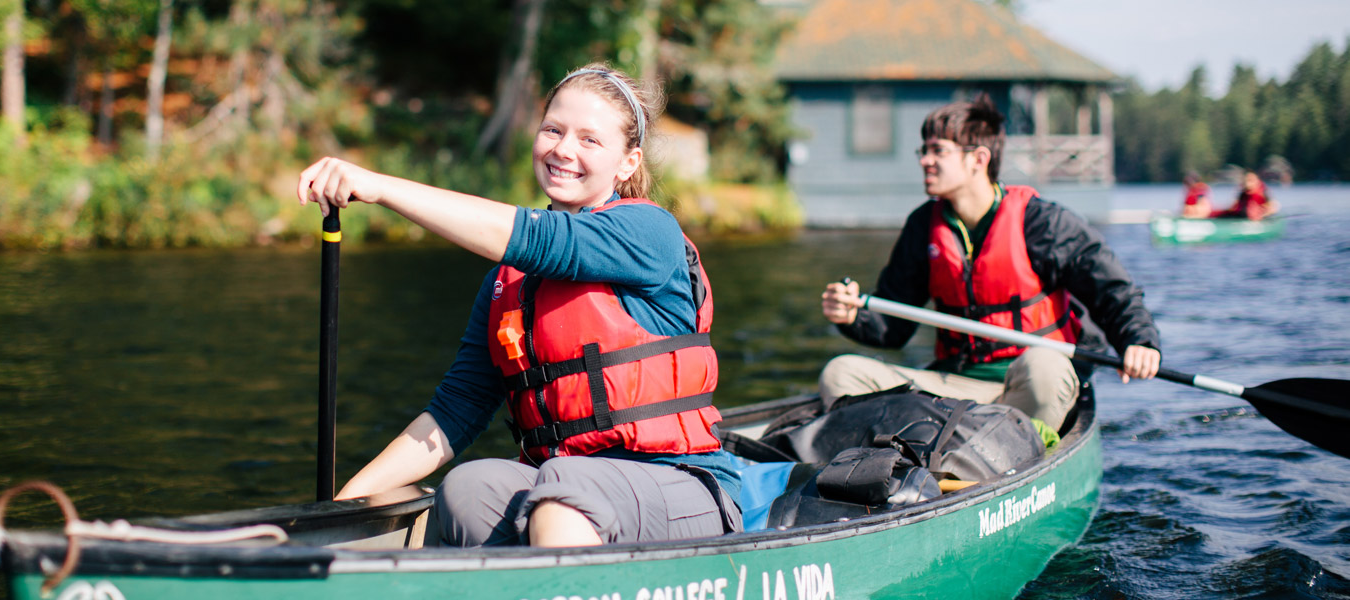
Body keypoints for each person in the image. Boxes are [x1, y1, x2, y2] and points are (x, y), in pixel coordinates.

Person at [297, 63, 741, 548]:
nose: (563, 149)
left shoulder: (650, 233)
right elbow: (454, 411)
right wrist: (335, 514)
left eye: (590, 140)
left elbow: (539, 238)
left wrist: (381, 187)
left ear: (628, 163)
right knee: (467, 489)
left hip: (678, 483)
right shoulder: (504, 286)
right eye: (553, 129)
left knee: (565, 491)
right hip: (566, 481)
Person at [818, 94, 1162, 430]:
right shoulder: (923, 227)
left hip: (1026, 390)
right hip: (954, 387)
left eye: (938, 150)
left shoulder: (1043, 223)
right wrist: (852, 316)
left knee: (1046, 366)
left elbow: (1112, 289)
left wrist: (1138, 340)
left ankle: (1015, 444)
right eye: (924, 150)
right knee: (841, 373)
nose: (925, 160)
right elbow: (893, 324)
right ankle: (928, 449)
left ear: (978, 159)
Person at [1214, 170, 1278, 221]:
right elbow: (1234, 207)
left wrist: (1262, 215)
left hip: (1257, 219)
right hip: (1242, 216)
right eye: (1246, 181)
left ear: (1257, 181)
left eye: (1250, 180)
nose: (1248, 183)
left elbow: (1274, 207)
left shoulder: (1263, 193)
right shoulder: (1243, 193)